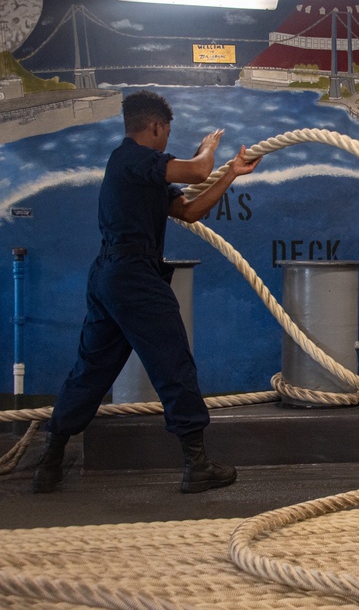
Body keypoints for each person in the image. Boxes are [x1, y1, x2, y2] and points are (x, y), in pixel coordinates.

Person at [32, 90, 262, 494]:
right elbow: (194, 171)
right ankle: (196, 463)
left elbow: (189, 210)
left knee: (92, 368)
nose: (166, 140)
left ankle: (50, 458)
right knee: (173, 363)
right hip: (132, 275)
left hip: (111, 276)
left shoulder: (139, 171)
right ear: (155, 127)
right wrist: (208, 150)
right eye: (166, 132)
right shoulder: (133, 159)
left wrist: (229, 174)